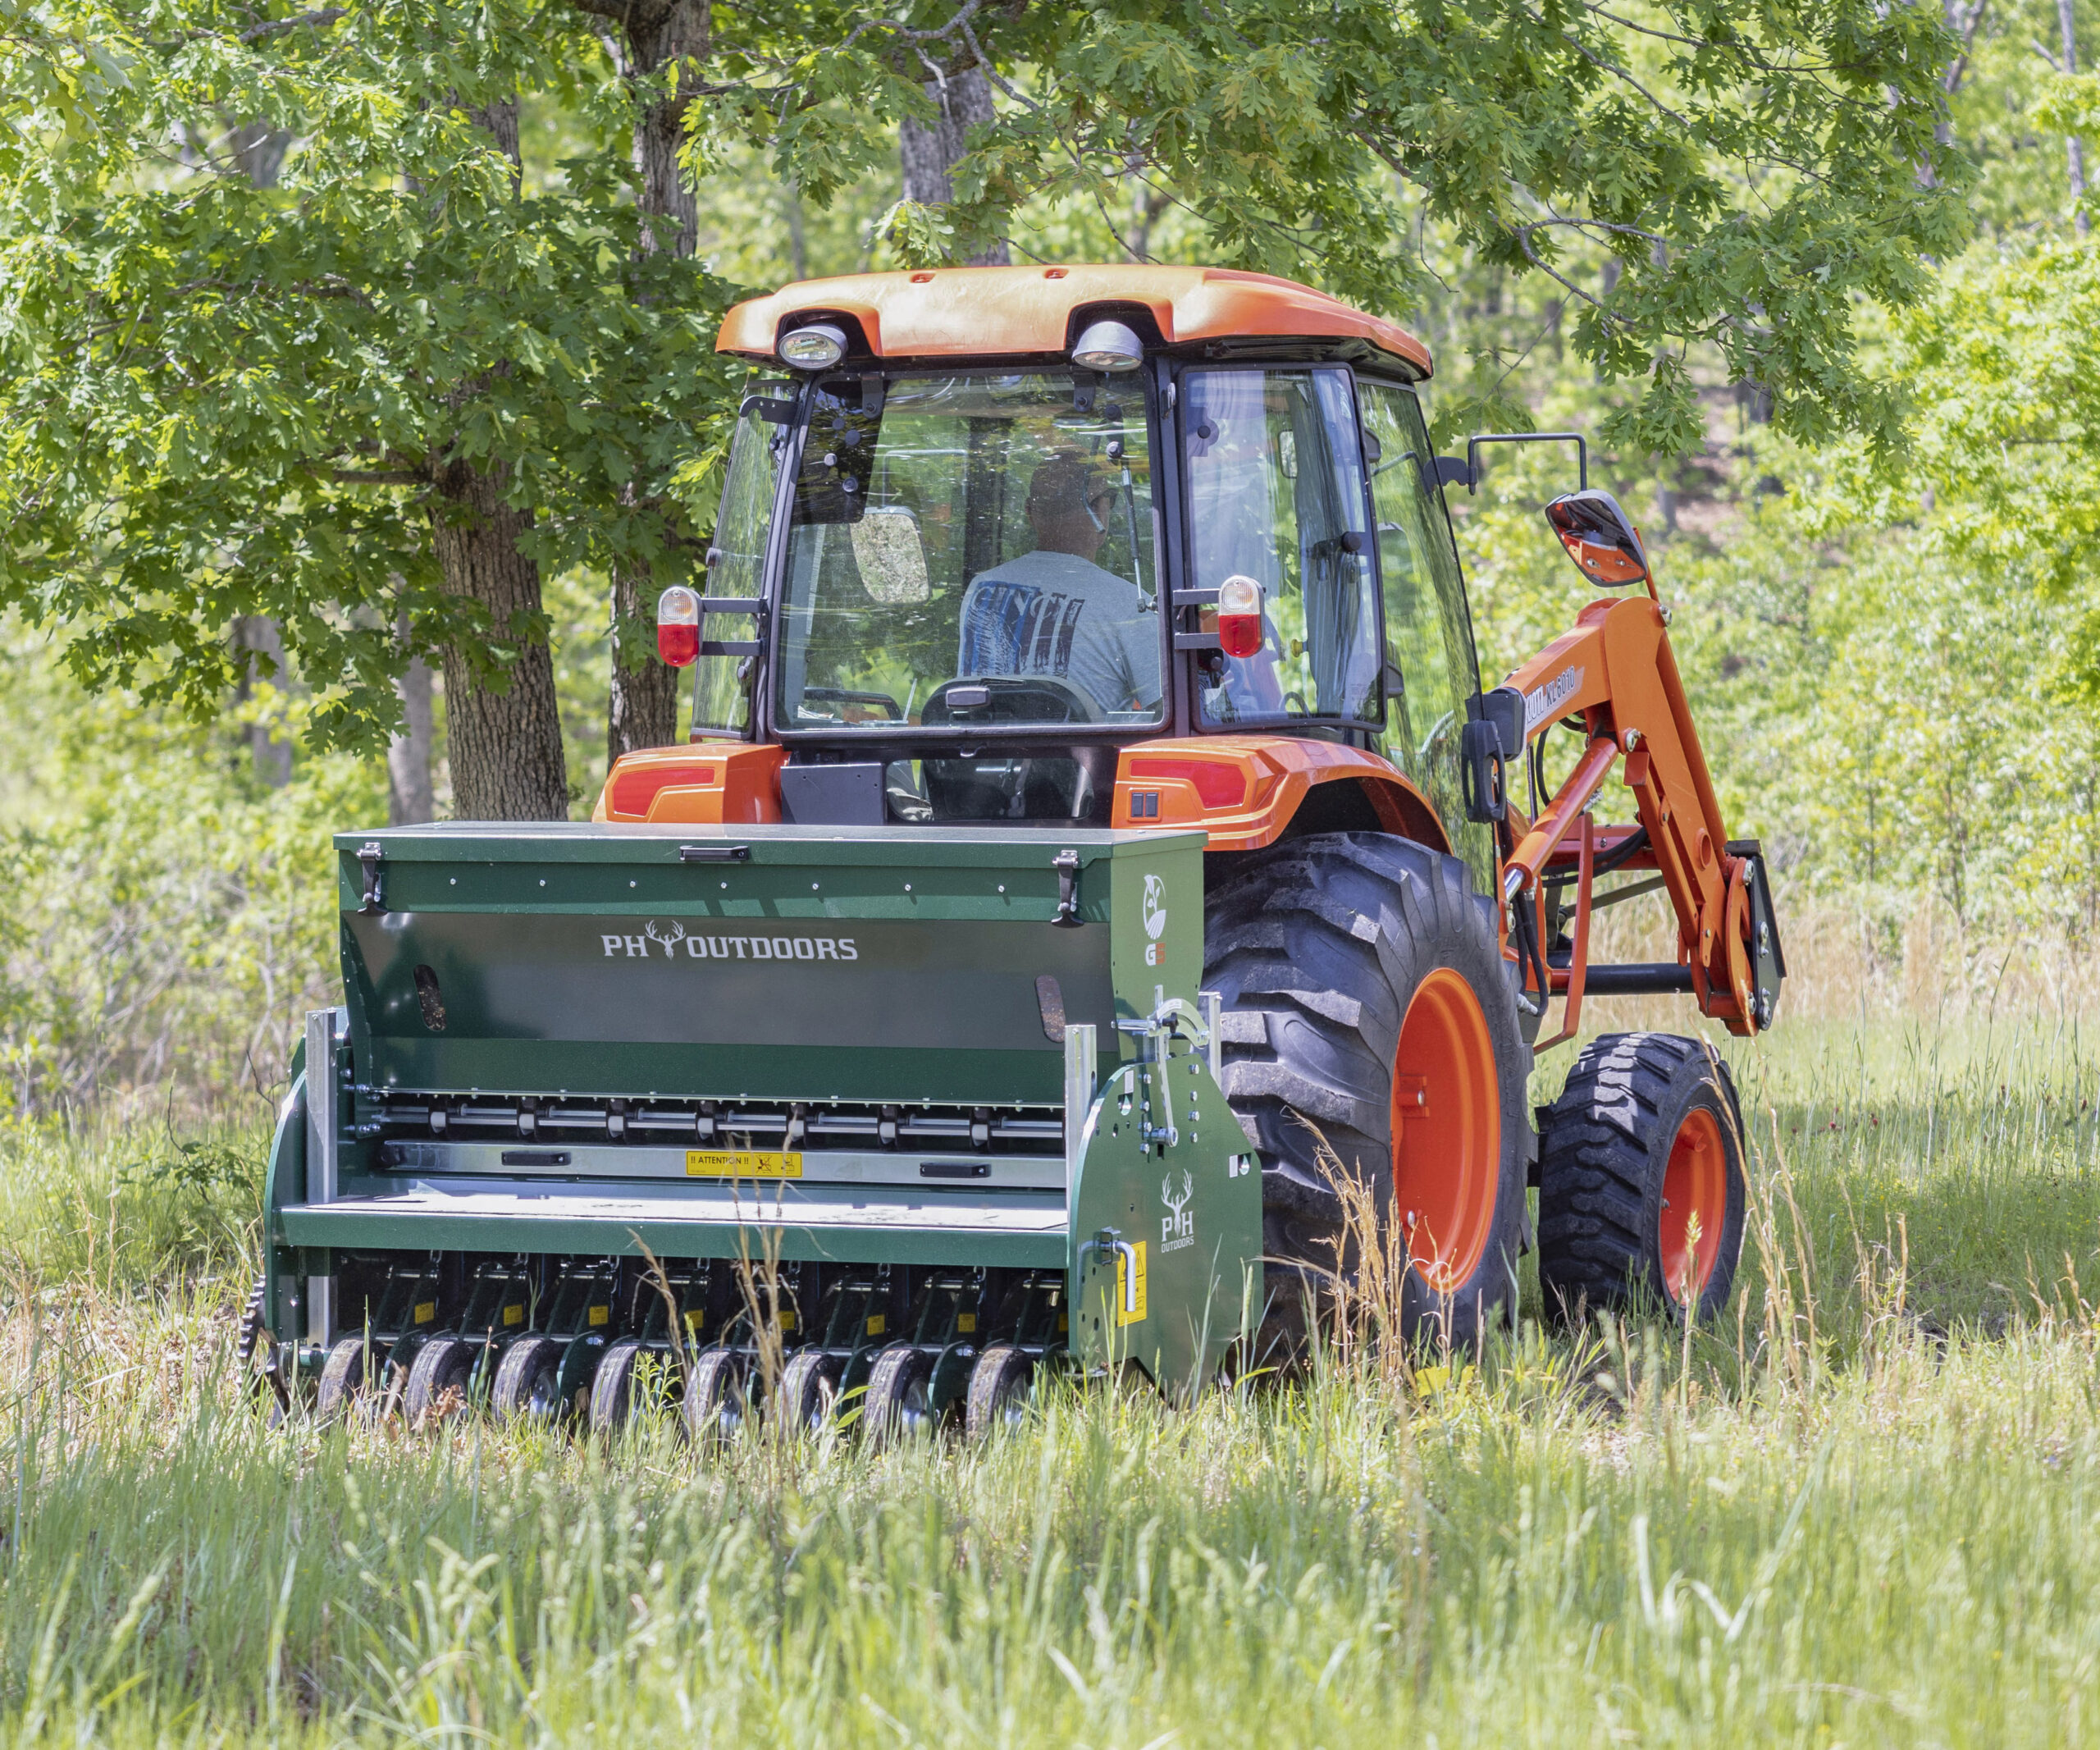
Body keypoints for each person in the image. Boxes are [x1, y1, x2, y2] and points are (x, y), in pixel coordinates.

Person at [956, 450, 1157, 715]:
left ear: (1029, 511)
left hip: (985, 754)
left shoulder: (981, 589)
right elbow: (1170, 713)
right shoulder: (1132, 603)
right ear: (1097, 509)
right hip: (1082, 756)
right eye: (1111, 499)